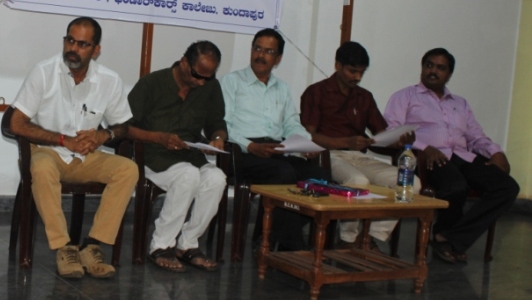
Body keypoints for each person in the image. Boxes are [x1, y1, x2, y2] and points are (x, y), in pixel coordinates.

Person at [10, 17, 138, 279]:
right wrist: (62, 140)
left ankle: (92, 246)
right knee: (41, 167)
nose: (73, 48)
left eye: (82, 44)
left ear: (96, 50)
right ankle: (65, 248)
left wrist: (103, 135)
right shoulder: (44, 72)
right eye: (70, 40)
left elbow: (125, 127)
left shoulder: (109, 80)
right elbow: (15, 123)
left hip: (86, 156)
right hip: (47, 152)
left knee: (128, 169)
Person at [384, 48, 518, 263]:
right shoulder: (405, 96)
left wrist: (496, 152)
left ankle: (449, 237)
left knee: (507, 187)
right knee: (456, 187)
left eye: (440, 68)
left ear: (449, 74)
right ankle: (448, 238)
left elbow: (475, 135)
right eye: (429, 65)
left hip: (463, 156)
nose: (433, 71)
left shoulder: (460, 103)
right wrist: (425, 148)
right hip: (427, 159)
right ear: (422, 67)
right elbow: (393, 130)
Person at [219, 28, 331, 251]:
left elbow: (291, 123)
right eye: (257, 48)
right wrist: (250, 145)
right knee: (284, 173)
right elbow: (223, 125)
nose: (260, 55)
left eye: (268, 51)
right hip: (241, 152)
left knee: (320, 177)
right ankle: (291, 247)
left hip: (274, 150)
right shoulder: (232, 81)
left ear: (278, 59)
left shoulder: (282, 88)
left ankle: (271, 232)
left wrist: (305, 142)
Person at [300, 42, 416, 250]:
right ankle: (347, 240)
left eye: (361, 72)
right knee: (358, 181)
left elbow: (381, 135)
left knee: (410, 183)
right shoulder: (317, 92)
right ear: (338, 65)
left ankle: (370, 237)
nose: (357, 77)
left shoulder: (364, 97)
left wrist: (398, 141)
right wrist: (346, 142)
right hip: (329, 155)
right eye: (352, 71)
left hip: (360, 156)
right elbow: (310, 136)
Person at [127, 41, 228, 272]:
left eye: (208, 77)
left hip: (189, 155)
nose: (201, 82)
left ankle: (188, 244)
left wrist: (217, 138)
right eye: (197, 75)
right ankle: (161, 246)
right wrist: (158, 138)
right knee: (188, 176)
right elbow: (124, 128)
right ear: (184, 62)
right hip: (152, 155)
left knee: (217, 179)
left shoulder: (210, 87)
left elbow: (217, 123)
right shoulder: (152, 84)